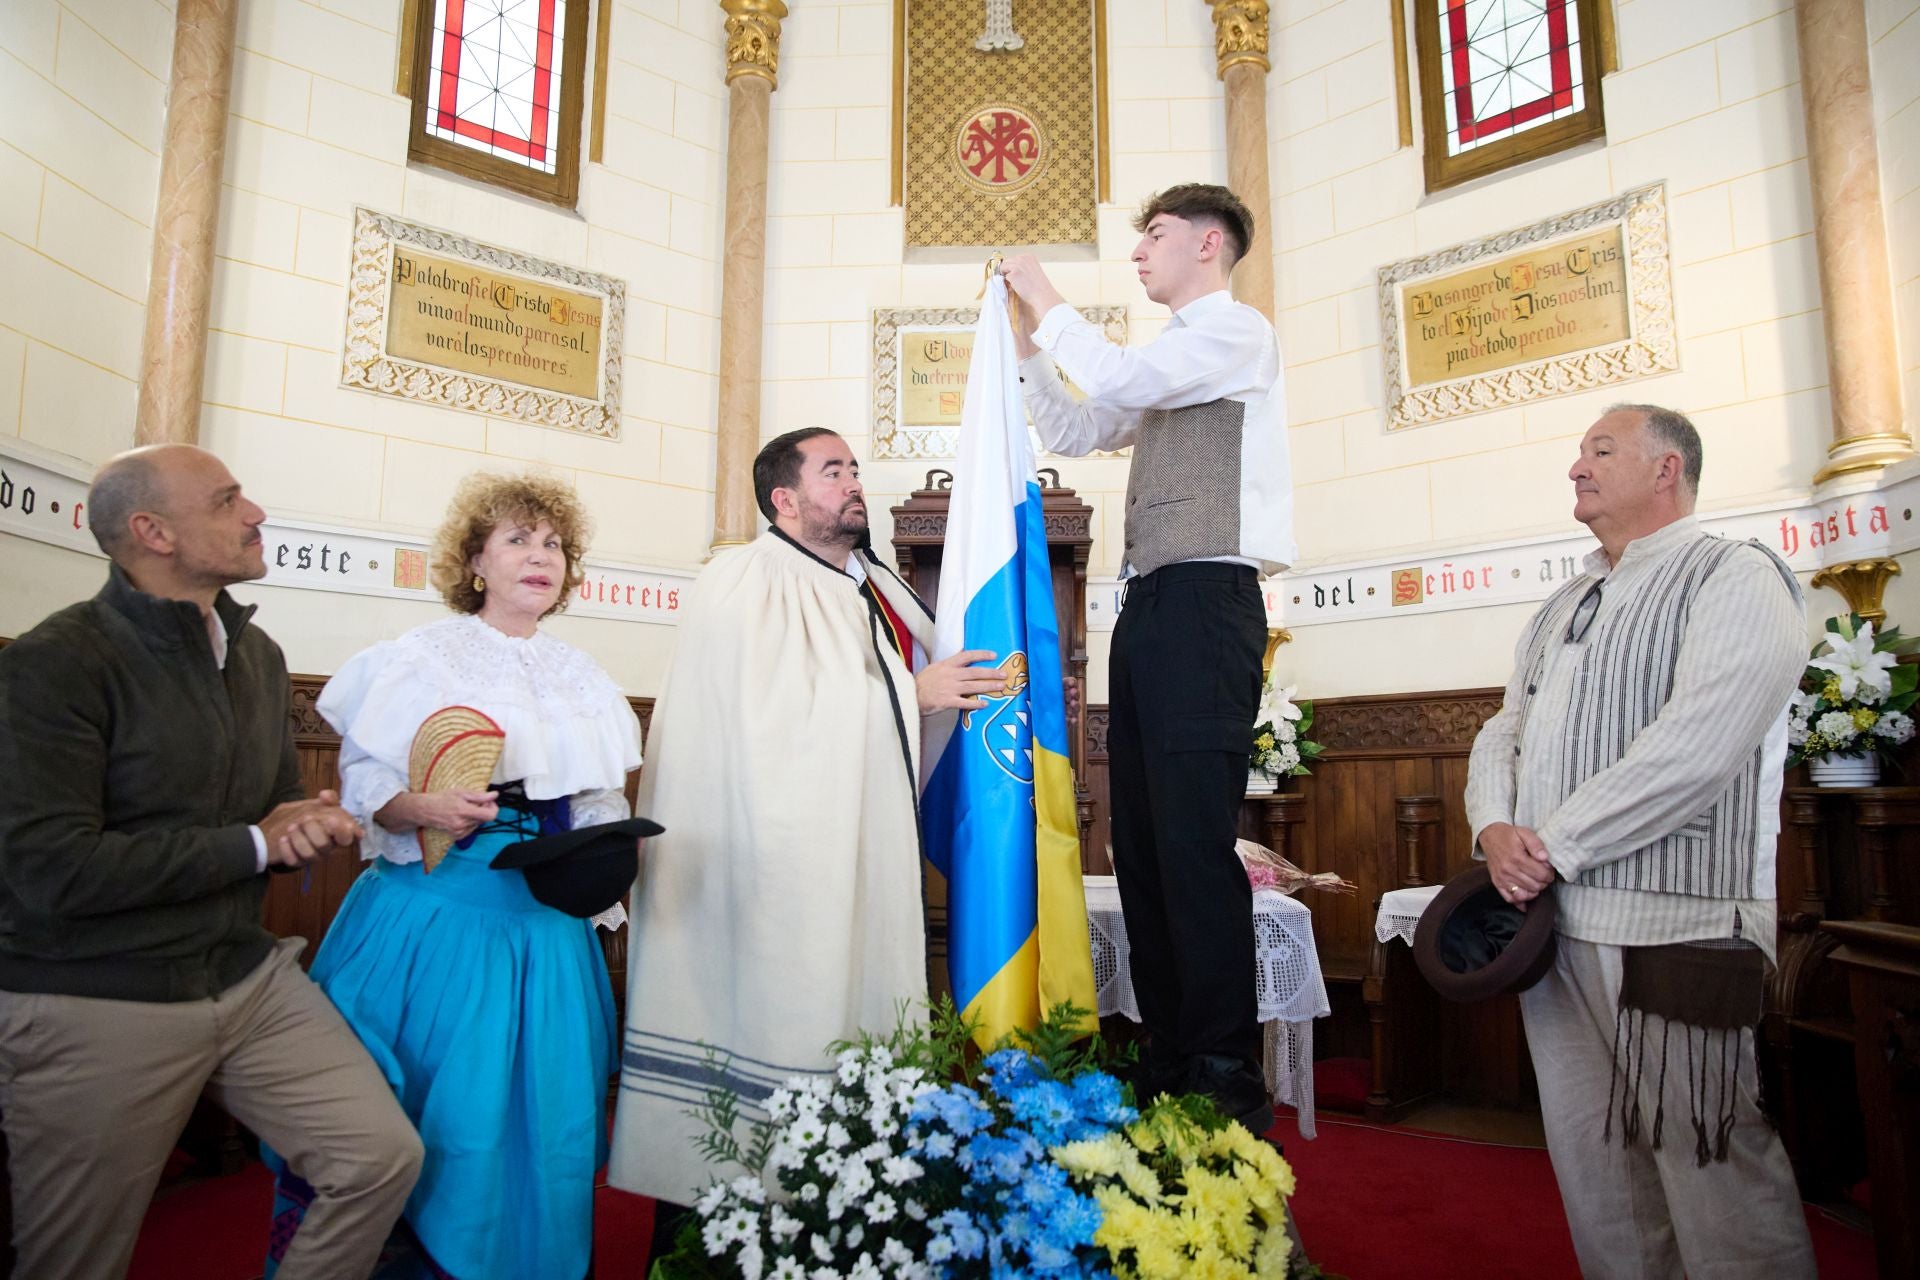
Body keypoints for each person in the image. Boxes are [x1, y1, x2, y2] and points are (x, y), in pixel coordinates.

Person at [0, 443, 423, 1280]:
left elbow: (269, 811)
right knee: (73, 1260)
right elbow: (51, 870)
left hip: (243, 973)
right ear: (153, 532)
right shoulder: (56, 662)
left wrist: (302, 824)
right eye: (228, 500)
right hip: (97, 990)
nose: (255, 513)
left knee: (378, 1156)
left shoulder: (255, 655)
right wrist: (261, 842)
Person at [609, 427, 1001, 1212]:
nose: (854, 482)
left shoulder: (878, 585)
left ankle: (854, 1204)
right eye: (834, 471)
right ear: (784, 499)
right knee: (773, 1033)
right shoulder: (740, 579)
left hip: (862, 851)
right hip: (766, 873)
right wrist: (909, 697)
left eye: (855, 468)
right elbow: (769, 728)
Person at [1464, 405, 1816, 1277]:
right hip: (1557, 927)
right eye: (1581, 452)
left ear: (1667, 470)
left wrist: (1552, 843)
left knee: (1710, 1162)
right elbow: (1503, 730)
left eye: (1601, 451)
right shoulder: (1566, 600)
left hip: (1674, 924)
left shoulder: (1734, 574)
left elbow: (1700, 742)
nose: (1575, 468)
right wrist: (1492, 826)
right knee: (1596, 1165)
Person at [265, 472, 644, 1280]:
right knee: (426, 1117)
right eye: (518, 540)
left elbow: (601, 796)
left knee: (539, 1126)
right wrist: (423, 806)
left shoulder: (583, 677)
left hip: (544, 933)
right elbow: (365, 789)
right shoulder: (419, 660)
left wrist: (609, 846)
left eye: (554, 546)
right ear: (475, 561)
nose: (540, 557)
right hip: (431, 923)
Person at [999, 183, 1295, 1126]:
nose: (1139, 253)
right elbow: (1082, 427)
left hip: (1208, 601)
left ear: (1210, 243)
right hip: (1156, 605)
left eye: (1154, 236)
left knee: (1192, 845)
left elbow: (1117, 381)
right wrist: (1019, 355)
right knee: (1145, 846)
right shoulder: (1176, 360)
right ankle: (1170, 1053)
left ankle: (1220, 1066)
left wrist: (1045, 298)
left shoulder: (1235, 331)